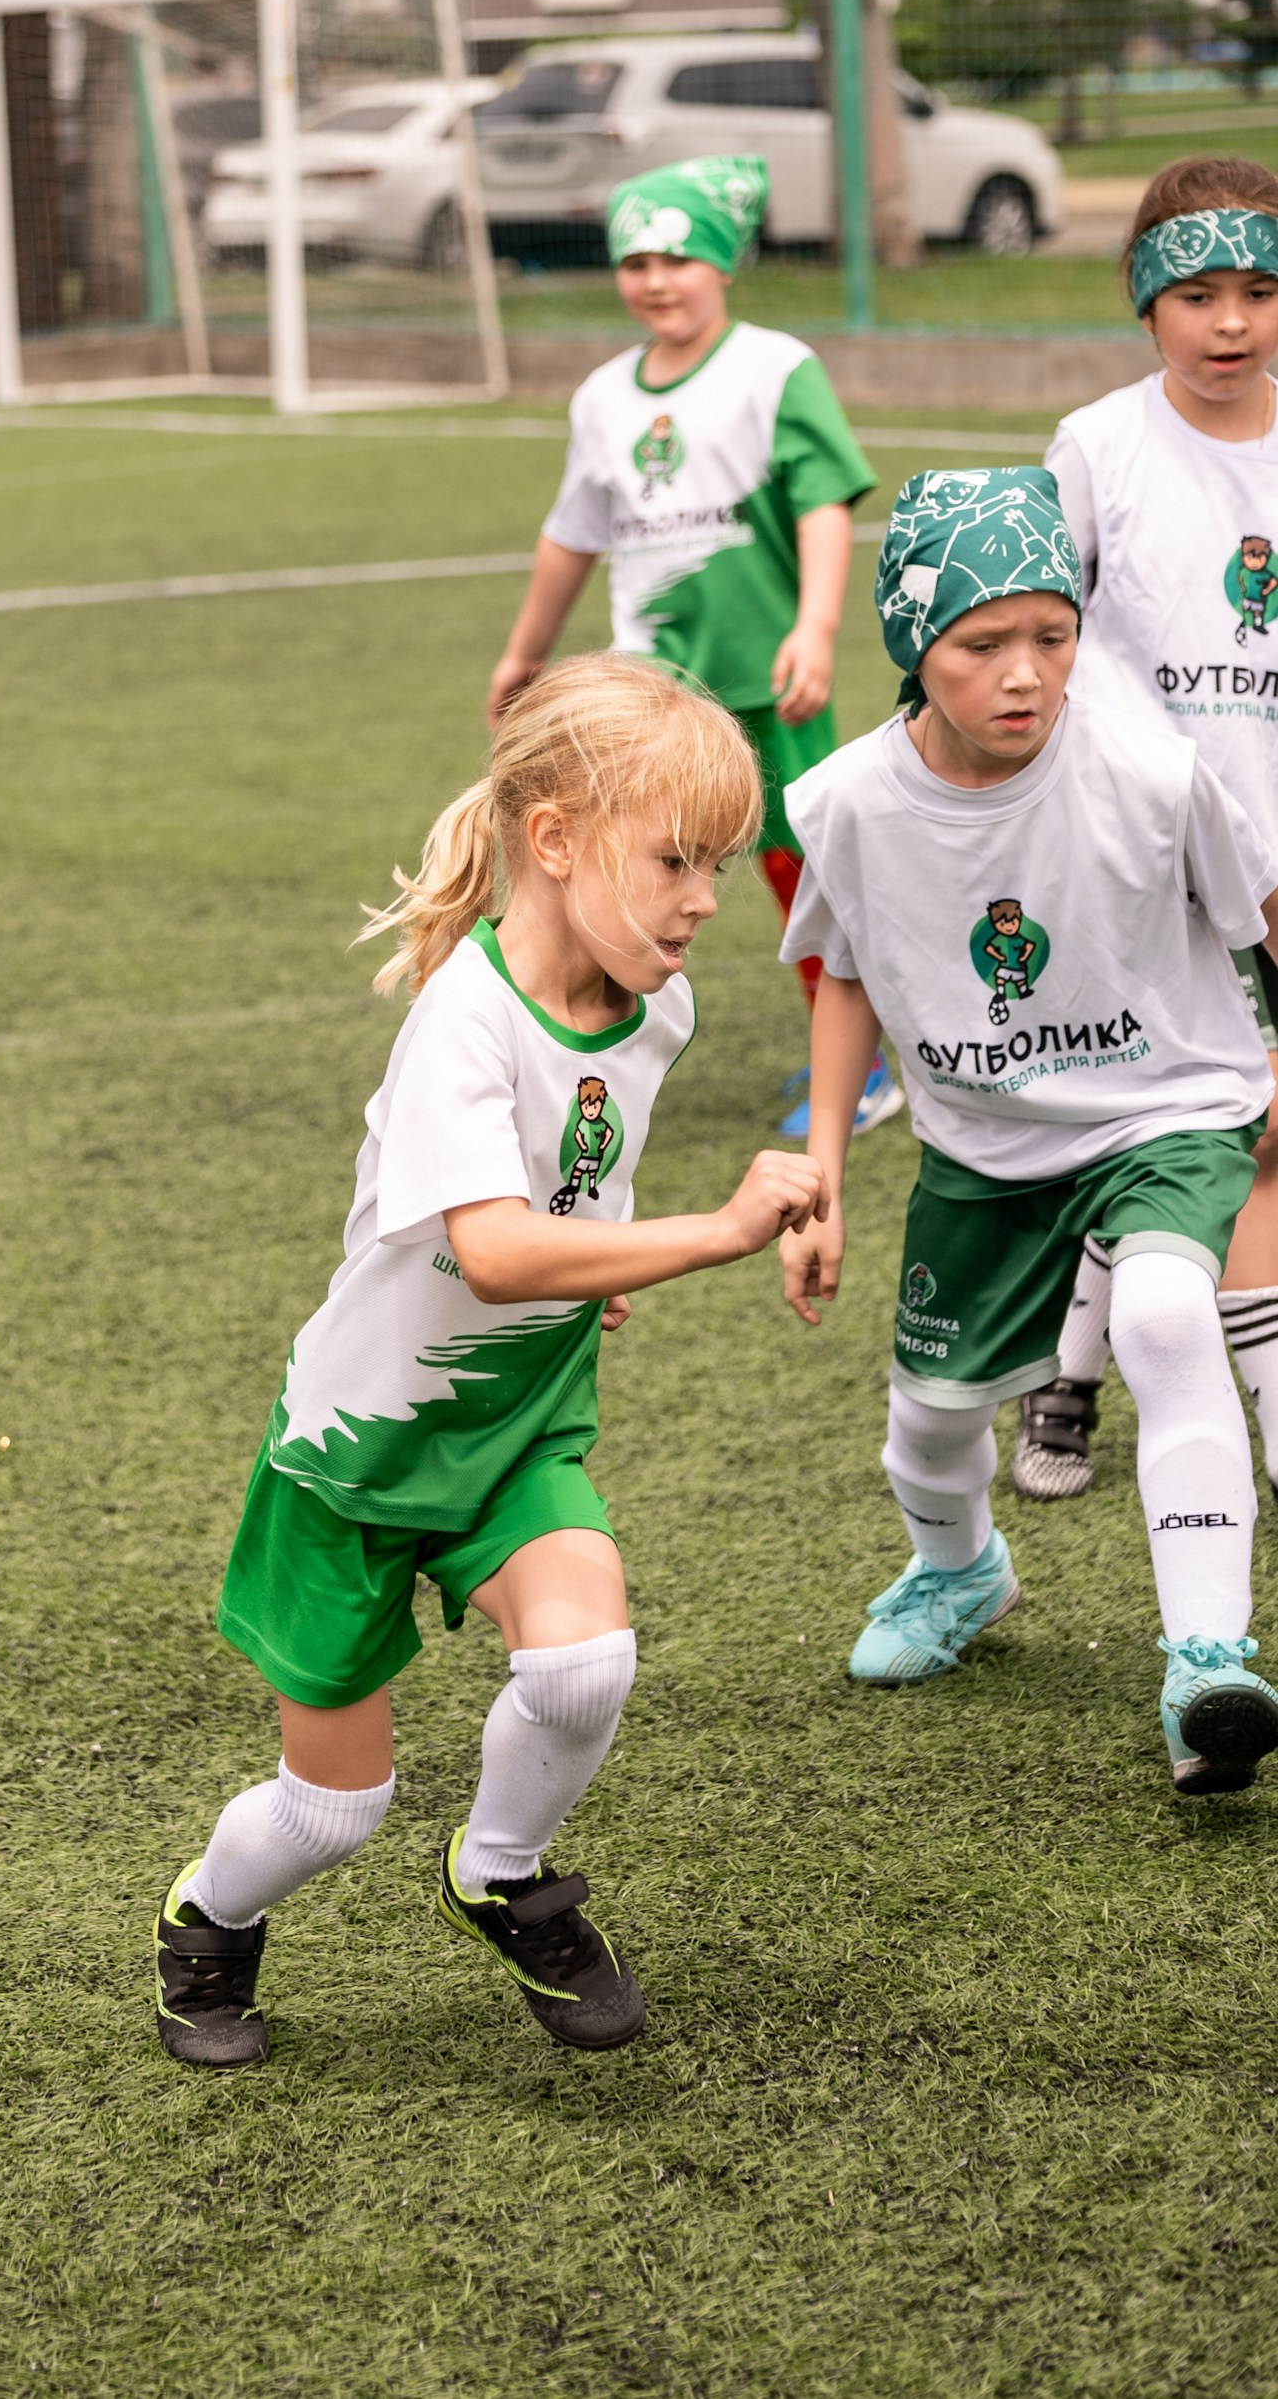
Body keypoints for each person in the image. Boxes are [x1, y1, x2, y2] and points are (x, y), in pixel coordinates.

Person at [154, 657, 827, 2069]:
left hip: (517, 1428)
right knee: (335, 1808)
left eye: (715, 862)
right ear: (557, 839)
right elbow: (497, 1249)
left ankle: (501, 1871)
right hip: (359, 1450)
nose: (708, 898)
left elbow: (565, 1208)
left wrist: (609, 1261)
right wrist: (704, 1232)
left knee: (585, 1661)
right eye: (675, 859)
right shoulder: (459, 1018)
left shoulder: (660, 1003)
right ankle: (206, 1925)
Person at [777, 466, 1278, 1798]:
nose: (1025, 674)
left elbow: (1261, 913)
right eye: (981, 643)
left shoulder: (1153, 775)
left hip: (1166, 1105)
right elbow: (844, 974)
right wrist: (823, 1158)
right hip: (983, 1144)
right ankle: (960, 1570)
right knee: (934, 1422)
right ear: (912, 645)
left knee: (1165, 1318)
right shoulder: (844, 803)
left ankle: (1207, 1663)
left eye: (1051, 636)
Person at [484, 152, 897, 1142]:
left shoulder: (776, 368)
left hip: (766, 678)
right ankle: (600, 1059)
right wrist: (524, 651)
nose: (657, 279)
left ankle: (861, 1062)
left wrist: (816, 627)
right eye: (635, 261)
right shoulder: (602, 399)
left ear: (721, 264)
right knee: (630, 864)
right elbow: (572, 532)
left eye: (678, 257)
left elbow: (824, 504)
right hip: (651, 689)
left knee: (804, 868)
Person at [1016, 158, 1278, 1502]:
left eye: (1257, 291)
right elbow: (1039, 634)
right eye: (1195, 294)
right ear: (1143, 301)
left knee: (1262, 1129)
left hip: (1275, 868)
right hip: (1131, 859)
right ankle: (1069, 1378)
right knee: (1153, 1127)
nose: (1228, 323)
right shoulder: (1098, 445)